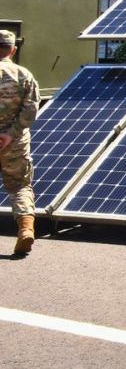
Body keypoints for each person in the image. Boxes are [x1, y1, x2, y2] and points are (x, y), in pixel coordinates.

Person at [0, 30, 38, 256]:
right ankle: (25, 229)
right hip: (14, 143)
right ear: (13, 50)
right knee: (20, 186)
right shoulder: (24, 75)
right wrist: (10, 134)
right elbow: (31, 110)